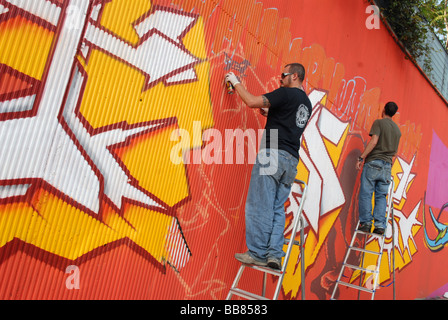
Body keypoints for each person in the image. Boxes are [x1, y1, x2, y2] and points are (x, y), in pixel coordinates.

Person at [225, 63, 312, 269]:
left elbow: (252, 101)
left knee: (259, 204)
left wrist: (235, 82)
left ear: (295, 76)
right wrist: (270, 113)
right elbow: (286, 120)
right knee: (276, 208)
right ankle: (274, 254)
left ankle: (256, 253)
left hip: (272, 152)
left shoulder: (286, 93)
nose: (280, 78)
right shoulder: (306, 103)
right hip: (291, 160)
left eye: (284, 75)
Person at [356, 102, 401, 235]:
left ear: (384, 110)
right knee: (381, 196)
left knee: (366, 193)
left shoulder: (379, 123)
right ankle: (380, 226)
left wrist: (361, 157)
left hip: (373, 163)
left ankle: (365, 223)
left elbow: (374, 141)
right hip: (387, 166)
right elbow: (395, 153)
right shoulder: (397, 131)